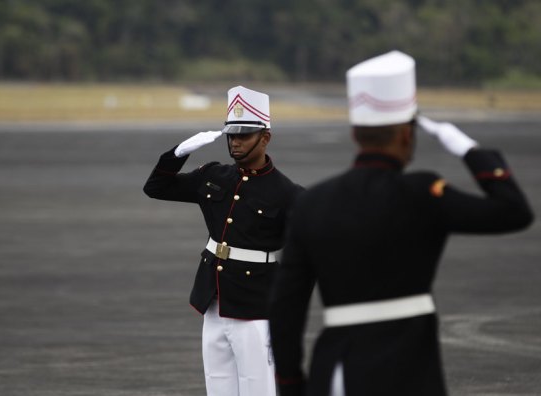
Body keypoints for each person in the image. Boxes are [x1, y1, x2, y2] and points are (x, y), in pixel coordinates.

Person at [268, 51, 534, 396]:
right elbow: (514, 211)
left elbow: (286, 308)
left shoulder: (311, 203)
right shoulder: (423, 193)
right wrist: (470, 150)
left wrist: (290, 384)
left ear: (355, 134)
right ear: (407, 136)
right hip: (410, 372)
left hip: (338, 372)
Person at [144, 86, 303, 396]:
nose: (235, 141)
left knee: (259, 389)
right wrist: (178, 154)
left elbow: (306, 253)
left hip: (256, 307)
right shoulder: (214, 177)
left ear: (265, 138)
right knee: (218, 388)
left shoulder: (287, 193)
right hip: (213, 300)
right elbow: (156, 187)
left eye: (244, 135)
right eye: (232, 134)